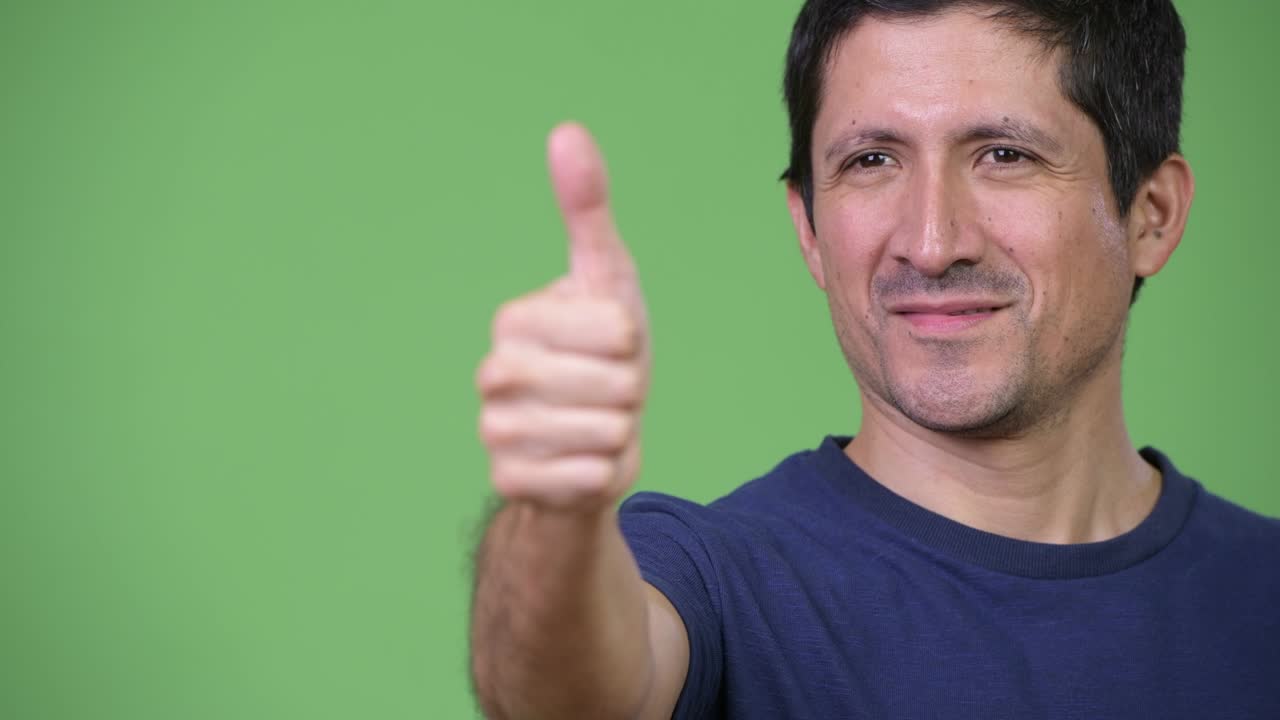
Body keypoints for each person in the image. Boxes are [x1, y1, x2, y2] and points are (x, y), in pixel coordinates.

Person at [469, 0, 1280, 717]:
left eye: (1004, 154)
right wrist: (554, 515)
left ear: (1153, 215)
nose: (931, 243)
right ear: (809, 229)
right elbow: (560, 701)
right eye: (872, 161)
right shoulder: (714, 581)